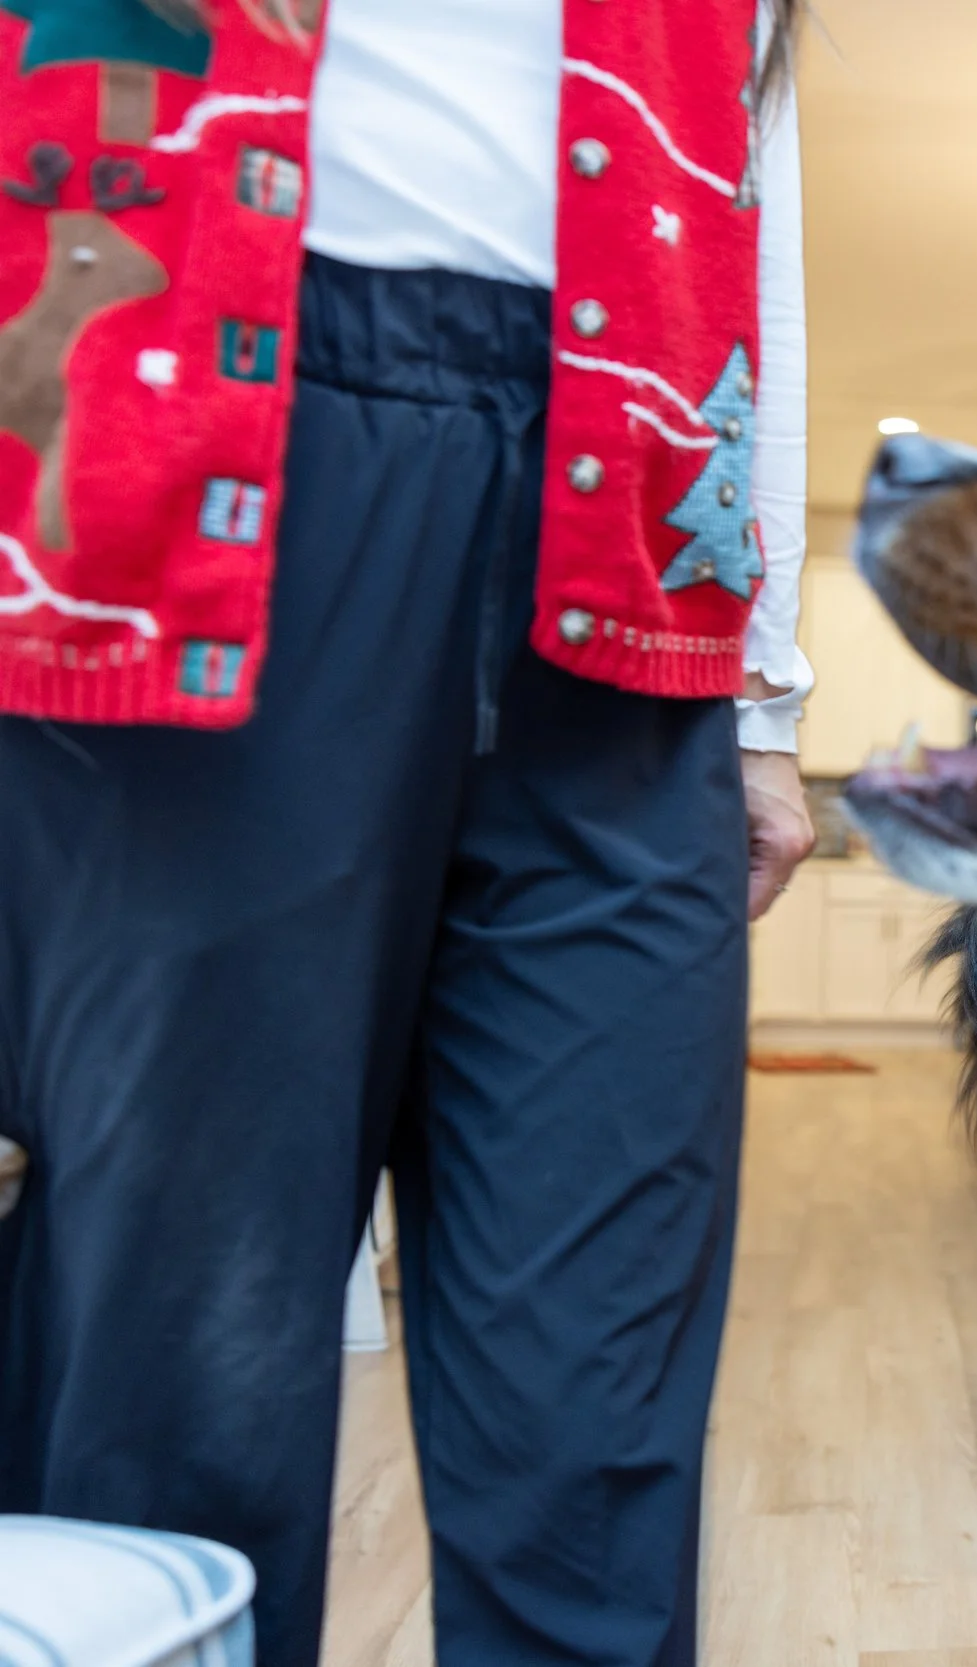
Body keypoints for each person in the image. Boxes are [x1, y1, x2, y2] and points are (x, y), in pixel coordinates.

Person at [0, 2, 817, 1662]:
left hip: (635, 534)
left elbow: (748, 180)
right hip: (205, 449)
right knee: (179, 1360)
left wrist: (764, 692)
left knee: (598, 1399)